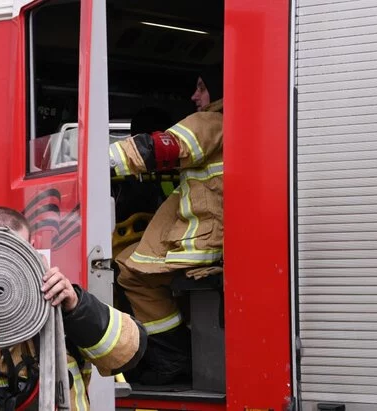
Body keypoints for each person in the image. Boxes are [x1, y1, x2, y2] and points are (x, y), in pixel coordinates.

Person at [0, 206, 147, 410]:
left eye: (16, 254)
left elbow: (128, 354)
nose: (5, 270)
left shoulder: (61, 303)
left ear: (32, 249)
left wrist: (77, 308)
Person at [108, 64, 224, 385]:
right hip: (217, 238)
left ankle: (173, 356)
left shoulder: (209, 121)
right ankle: (176, 352)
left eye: (201, 88)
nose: (194, 96)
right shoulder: (237, 124)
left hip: (201, 242)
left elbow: (163, 147)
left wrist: (96, 160)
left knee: (130, 272)